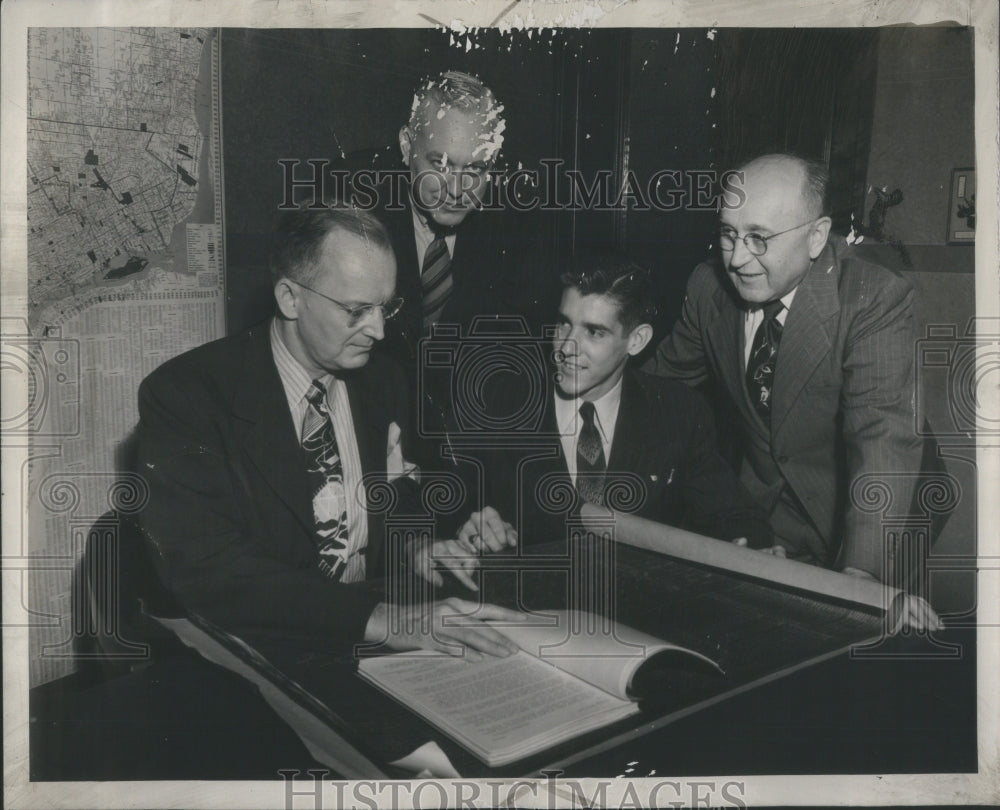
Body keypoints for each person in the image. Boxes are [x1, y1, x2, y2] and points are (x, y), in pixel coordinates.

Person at [135, 203, 525, 664]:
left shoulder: (382, 379)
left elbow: (384, 502)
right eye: (357, 310)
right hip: (256, 648)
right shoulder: (188, 394)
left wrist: (418, 546)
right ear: (289, 298)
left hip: (365, 637)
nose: (378, 331)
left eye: (385, 307)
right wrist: (385, 619)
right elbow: (209, 569)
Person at [644, 152, 940, 630]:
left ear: (817, 237)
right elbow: (660, 389)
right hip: (766, 503)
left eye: (759, 238)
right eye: (727, 234)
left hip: (879, 510)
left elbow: (882, 435)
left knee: (859, 647)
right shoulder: (708, 287)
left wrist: (860, 576)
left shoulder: (872, 297)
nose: (737, 258)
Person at [435, 253, 773, 558]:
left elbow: (737, 518)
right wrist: (467, 527)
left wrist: (752, 549)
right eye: (564, 322)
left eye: (594, 332)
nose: (566, 347)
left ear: (637, 340)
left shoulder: (678, 412)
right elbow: (437, 503)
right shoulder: (495, 402)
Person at [352, 70, 553, 467]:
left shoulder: (518, 224)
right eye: (440, 164)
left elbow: (515, 363)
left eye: (476, 169)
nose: (458, 190)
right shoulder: (353, 204)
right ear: (407, 146)